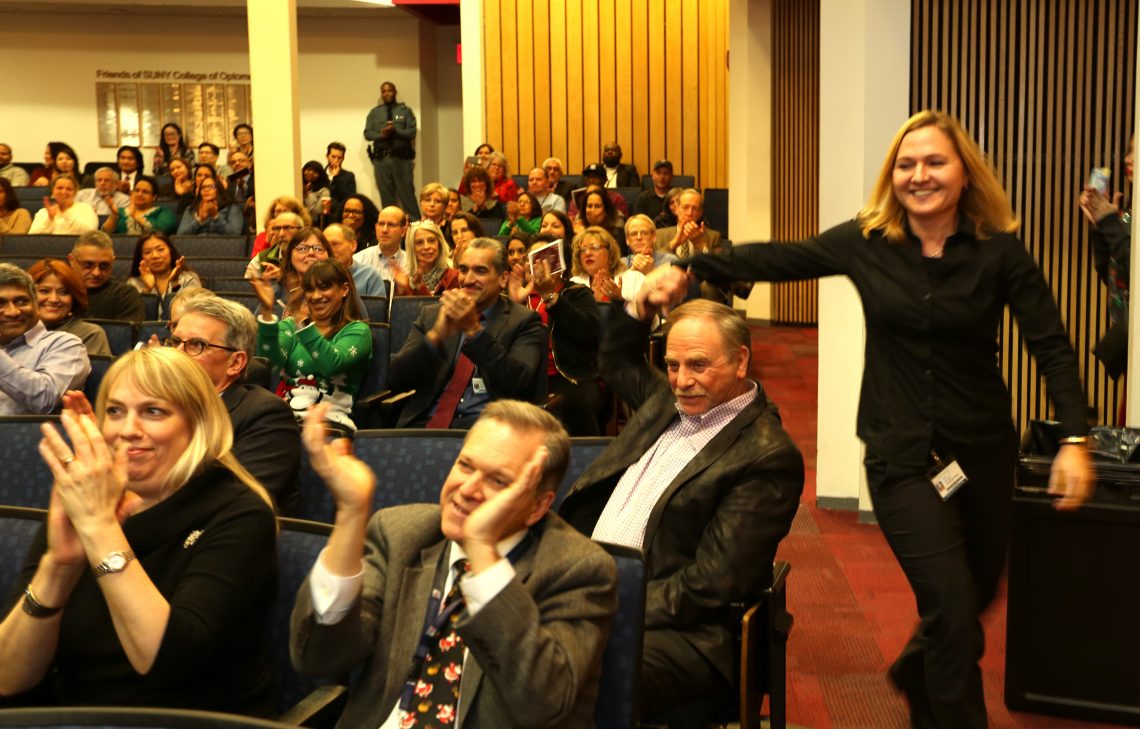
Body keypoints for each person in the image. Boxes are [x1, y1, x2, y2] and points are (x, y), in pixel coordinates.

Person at [666, 109, 1095, 728]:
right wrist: (688, 267)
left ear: (964, 173)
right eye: (906, 163)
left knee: (975, 596)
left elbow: (1051, 345)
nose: (919, 174)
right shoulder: (867, 242)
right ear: (893, 175)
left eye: (935, 161)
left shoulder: (999, 253)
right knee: (948, 606)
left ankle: (917, 670)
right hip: (899, 458)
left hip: (981, 453)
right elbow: (784, 258)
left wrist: (1075, 438)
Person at [290, 399, 617, 729]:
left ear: (536, 507)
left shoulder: (578, 569)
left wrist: (481, 547)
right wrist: (350, 513)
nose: (468, 488)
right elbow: (318, 655)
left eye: (498, 481)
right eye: (465, 465)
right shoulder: (401, 534)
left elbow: (541, 705)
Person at [559, 291, 804, 720]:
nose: (682, 380)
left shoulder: (766, 455)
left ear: (741, 361)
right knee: (491, 636)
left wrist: (609, 603)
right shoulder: (667, 402)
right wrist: (639, 306)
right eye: (673, 366)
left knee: (564, 676)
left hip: (687, 633)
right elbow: (615, 359)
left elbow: (710, 585)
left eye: (698, 365)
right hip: (593, 581)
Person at [0, 347, 277, 714]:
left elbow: (166, 663)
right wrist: (60, 566)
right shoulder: (85, 500)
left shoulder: (239, 512)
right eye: (115, 411)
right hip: (71, 717)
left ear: (198, 423)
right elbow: (8, 677)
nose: (128, 430)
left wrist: (100, 529)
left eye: (154, 411)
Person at [388, 237, 546, 429]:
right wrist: (435, 337)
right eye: (463, 270)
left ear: (503, 278)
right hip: (425, 424)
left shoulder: (524, 321)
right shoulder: (433, 315)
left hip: (490, 429)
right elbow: (396, 379)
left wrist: (474, 331)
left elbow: (519, 383)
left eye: (480, 271)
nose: (468, 280)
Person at [166, 294, 301, 515]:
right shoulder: (160, 405)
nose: (176, 355)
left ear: (235, 362)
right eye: (175, 342)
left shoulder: (265, 415)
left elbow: (239, 505)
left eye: (195, 345)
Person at [251, 259, 372, 433]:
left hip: (330, 422)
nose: (315, 296)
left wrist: (303, 325)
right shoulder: (290, 326)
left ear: (344, 290)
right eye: (309, 289)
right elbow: (271, 365)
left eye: (324, 288)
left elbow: (331, 364)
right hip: (282, 418)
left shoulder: (358, 331)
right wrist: (267, 311)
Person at [508, 234, 604, 436]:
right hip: (522, 376)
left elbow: (588, 333)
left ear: (561, 265)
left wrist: (550, 295)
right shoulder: (512, 295)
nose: (537, 266)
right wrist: (513, 305)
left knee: (577, 404)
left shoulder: (576, 293)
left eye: (546, 259)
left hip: (567, 375)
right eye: (531, 259)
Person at [1078, 135, 1133, 385]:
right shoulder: (1131, 215)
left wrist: (1109, 224)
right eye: (1128, 151)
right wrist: (1099, 227)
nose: (1127, 159)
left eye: (1135, 152)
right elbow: (1110, 276)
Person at [0, 263, 90, 415]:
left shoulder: (65, 344)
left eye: (21, 301)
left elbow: (45, 399)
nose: (12, 312)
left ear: (36, 305)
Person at [28, 258, 112, 357]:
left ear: (74, 298)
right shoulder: (15, 330)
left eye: (63, 292)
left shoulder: (91, 334)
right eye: (44, 291)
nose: (54, 299)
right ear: (27, 294)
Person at [363, 81, 419, 217]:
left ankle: (416, 226)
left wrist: (396, 131)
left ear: (395, 92)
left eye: (389, 90)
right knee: (386, 198)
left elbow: (412, 132)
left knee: (407, 196)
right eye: (384, 91)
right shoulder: (374, 113)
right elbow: (368, 134)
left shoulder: (405, 111)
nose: (386, 93)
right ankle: (390, 226)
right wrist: (382, 135)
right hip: (381, 160)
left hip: (401, 160)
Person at [69, 231, 145, 321]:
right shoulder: (60, 293)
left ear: (112, 262)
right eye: (88, 265)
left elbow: (126, 333)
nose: (96, 273)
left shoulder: (125, 295)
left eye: (104, 266)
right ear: (72, 260)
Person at [126, 232, 202, 318]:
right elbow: (137, 318)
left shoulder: (188, 278)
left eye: (160, 249)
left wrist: (175, 284)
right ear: (141, 257)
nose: (155, 256)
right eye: (147, 252)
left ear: (170, 251)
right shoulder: (133, 283)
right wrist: (148, 291)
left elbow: (192, 314)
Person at [570, 226, 644, 302]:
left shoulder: (633, 278)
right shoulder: (574, 285)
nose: (587, 253)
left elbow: (642, 312)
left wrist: (619, 299)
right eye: (583, 249)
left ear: (610, 253)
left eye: (595, 247)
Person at [396, 219, 460, 296]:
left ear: (439, 244)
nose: (426, 247)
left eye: (431, 241)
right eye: (419, 242)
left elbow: (439, 307)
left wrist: (420, 287)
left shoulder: (453, 276)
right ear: (412, 248)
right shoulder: (405, 279)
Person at [324, 223, 388, 299]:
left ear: (353, 245)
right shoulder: (316, 275)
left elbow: (377, 310)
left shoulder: (369, 276)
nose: (330, 250)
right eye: (326, 245)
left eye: (335, 244)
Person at [103, 176, 178, 236]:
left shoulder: (163, 211)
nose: (139, 194)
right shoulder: (120, 211)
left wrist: (135, 216)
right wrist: (113, 214)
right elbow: (105, 233)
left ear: (154, 197)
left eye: (145, 192)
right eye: (137, 190)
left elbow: (162, 230)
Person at [352, 205, 409, 282]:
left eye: (391, 225)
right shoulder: (358, 260)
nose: (384, 230)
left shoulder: (411, 264)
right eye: (381, 224)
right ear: (376, 227)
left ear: (403, 231)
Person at [29, 175, 98, 235]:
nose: (64, 192)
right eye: (60, 188)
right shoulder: (43, 212)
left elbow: (90, 233)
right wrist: (49, 219)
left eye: (69, 189)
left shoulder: (86, 208)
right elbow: (32, 237)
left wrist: (66, 212)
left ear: (75, 192)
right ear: (53, 190)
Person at [177, 176, 243, 235]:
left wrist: (215, 217)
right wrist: (199, 219)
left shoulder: (231, 208)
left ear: (219, 189)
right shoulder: (191, 209)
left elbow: (235, 234)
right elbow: (180, 235)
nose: (206, 190)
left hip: (222, 245)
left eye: (211, 186)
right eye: (203, 187)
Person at [324, 142, 357, 212]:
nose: (336, 160)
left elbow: (350, 198)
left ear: (343, 159)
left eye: (339, 158)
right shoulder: (320, 174)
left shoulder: (348, 176)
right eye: (333, 157)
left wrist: (336, 178)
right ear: (327, 156)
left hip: (338, 212)